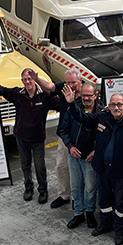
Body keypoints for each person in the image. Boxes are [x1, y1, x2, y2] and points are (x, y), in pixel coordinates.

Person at [63, 86, 123, 245]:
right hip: (102, 169)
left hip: (121, 172)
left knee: (121, 204)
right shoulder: (102, 118)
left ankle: (120, 232)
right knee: (104, 201)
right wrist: (71, 104)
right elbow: (83, 118)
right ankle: (106, 225)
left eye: (120, 104)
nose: (116, 107)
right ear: (109, 106)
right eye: (113, 104)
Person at [0, 67, 59, 204]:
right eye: (25, 79)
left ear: (35, 79)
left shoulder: (45, 95)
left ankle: (43, 190)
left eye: (30, 78)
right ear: (22, 81)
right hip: (21, 137)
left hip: (38, 138)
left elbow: (60, 103)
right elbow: (1, 89)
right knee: (25, 165)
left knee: (40, 166)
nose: (28, 82)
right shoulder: (17, 94)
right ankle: (28, 189)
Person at [30, 68, 83, 210]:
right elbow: (49, 86)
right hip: (65, 137)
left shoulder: (86, 94)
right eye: (68, 82)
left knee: (79, 170)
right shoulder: (64, 88)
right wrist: (36, 79)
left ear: (80, 81)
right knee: (61, 166)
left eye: (73, 82)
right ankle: (64, 194)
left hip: (81, 137)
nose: (70, 85)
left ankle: (77, 197)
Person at [57, 82, 101, 229]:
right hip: (74, 156)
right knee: (75, 186)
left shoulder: (100, 113)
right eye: (84, 95)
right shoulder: (72, 109)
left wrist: (96, 150)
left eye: (89, 95)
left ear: (96, 95)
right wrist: (70, 146)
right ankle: (78, 214)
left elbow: (102, 134)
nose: (86, 98)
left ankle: (89, 212)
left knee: (90, 187)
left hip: (90, 158)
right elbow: (63, 129)